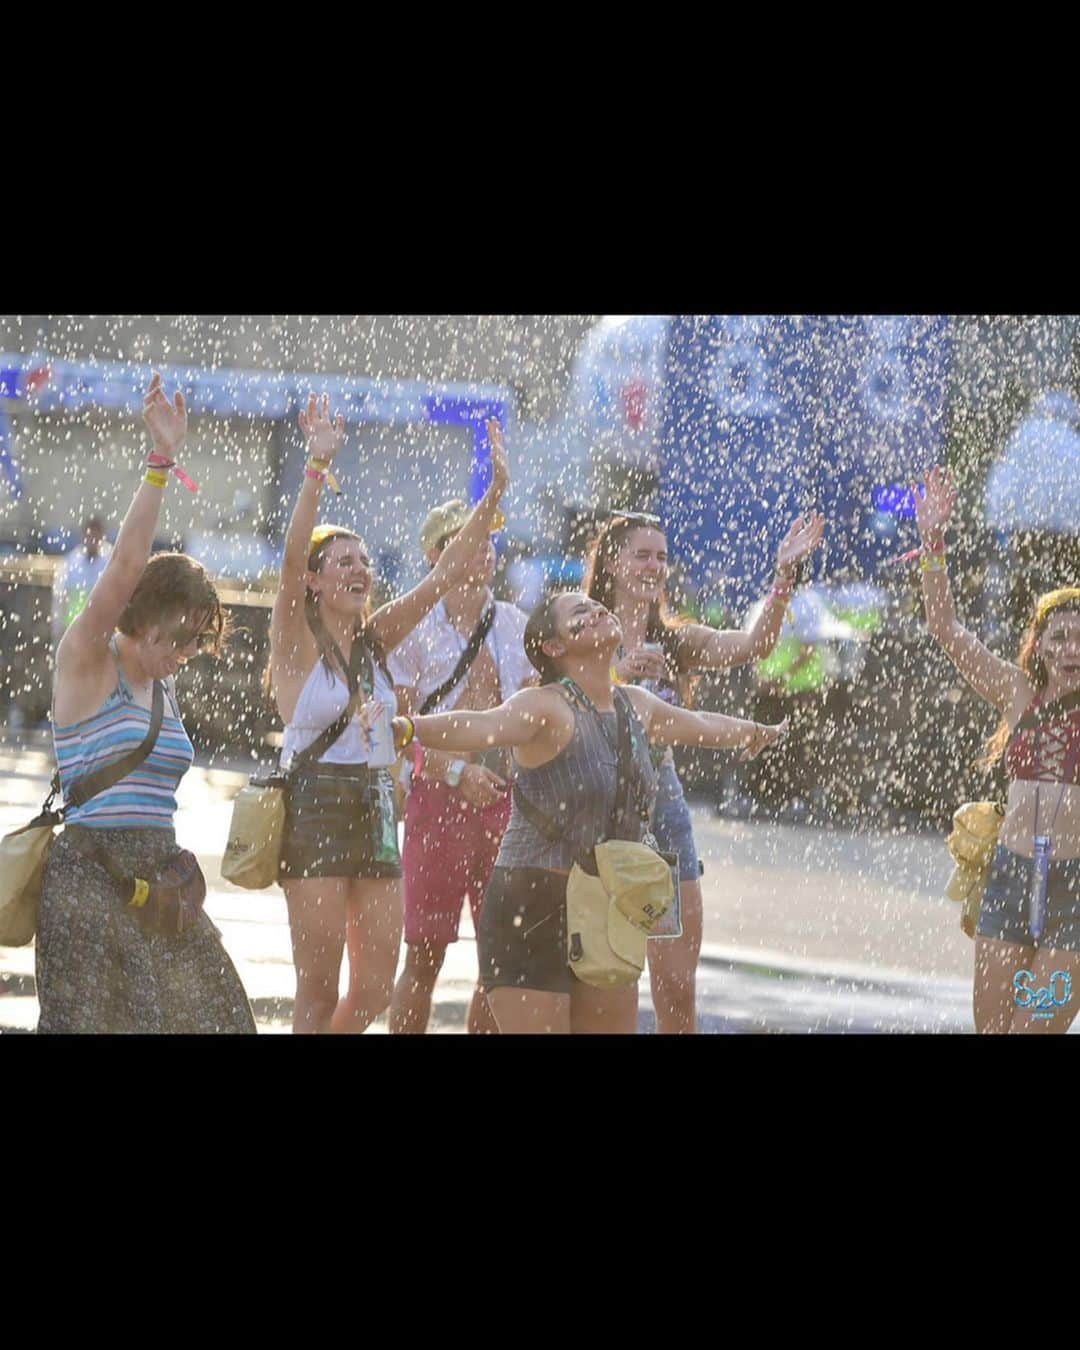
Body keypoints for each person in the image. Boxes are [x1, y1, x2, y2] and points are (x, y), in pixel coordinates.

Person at [393, 590, 788, 1034]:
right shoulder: (545, 705)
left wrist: (755, 732)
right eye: (581, 613)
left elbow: (698, 726)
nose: (599, 611)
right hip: (532, 903)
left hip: (606, 906)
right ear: (554, 647)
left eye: (597, 607)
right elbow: (479, 724)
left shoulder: (636, 705)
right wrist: (409, 727)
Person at [269, 394, 510, 1034]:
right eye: (343, 560)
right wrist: (317, 468)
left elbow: (444, 573)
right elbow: (292, 558)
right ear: (317, 583)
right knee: (318, 990)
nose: (359, 568)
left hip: (376, 806)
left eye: (365, 561)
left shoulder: (377, 639)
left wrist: (491, 505)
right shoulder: (296, 642)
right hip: (315, 805)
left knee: (374, 989)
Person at [36, 372, 255, 1034]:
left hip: (158, 883)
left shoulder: (163, 684)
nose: (183, 654)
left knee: (219, 1018)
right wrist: (160, 462)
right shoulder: (87, 660)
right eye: (178, 637)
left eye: (195, 645)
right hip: (89, 879)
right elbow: (124, 568)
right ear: (146, 612)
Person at [583, 508, 825, 1032]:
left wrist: (783, 579)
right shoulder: (578, 628)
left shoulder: (674, 641)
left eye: (662, 557)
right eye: (642, 554)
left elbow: (750, 647)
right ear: (613, 561)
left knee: (675, 986)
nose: (654, 566)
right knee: (601, 986)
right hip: (590, 812)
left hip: (662, 811)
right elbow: (545, 701)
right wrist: (615, 670)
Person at [914, 464, 1080, 1034]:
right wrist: (933, 540)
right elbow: (945, 626)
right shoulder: (1016, 690)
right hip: (1008, 879)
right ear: (1039, 645)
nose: (1071, 648)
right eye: (1060, 636)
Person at [387, 500, 535, 1035]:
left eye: (489, 539)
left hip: (504, 799)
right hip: (436, 799)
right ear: (435, 554)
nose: (483, 550)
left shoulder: (519, 625)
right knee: (424, 955)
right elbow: (398, 732)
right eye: (467, 538)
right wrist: (454, 773)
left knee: (501, 959)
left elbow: (531, 719)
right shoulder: (413, 627)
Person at [51, 516, 111, 644]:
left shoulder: (109, 560)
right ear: (83, 536)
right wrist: (57, 628)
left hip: (100, 631)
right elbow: (59, 597)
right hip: (72, 628)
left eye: (96, 535)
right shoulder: (71, 562)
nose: (93, 540)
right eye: (90, 535)